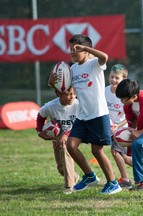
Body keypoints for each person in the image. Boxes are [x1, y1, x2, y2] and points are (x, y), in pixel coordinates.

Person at [48, 34, 121, 194]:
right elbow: (61, 89)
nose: (73, 53)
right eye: (71, 50)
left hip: (99, 114)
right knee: (71, 146)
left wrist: (86, 48)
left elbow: (105, 56)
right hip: (82, 116)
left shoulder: (94, 64)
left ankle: (113, 183)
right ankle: (89, 176)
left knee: (97, 151)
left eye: (76, 49)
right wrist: (52, 81)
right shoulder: (72, 69)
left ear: (86, 50)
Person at [36, 87, 79, 194]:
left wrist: (66, 134)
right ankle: (74, 176)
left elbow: (80, 122)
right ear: (58, 94)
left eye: (73, 94)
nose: (72, 97)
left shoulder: (78, 105)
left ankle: (69, 186)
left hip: (75, 134)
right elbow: (40, 116)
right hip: (57, 137)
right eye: (68, 94)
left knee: (65, 146)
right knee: (61, 167)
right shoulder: (50, 106)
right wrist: (40, 131)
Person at [105, 64, 132, 189]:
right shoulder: (104, 91)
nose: (113, 80)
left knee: (115, 152)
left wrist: (117, 125)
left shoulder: (124, 95)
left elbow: (129, 117)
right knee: (124, 158)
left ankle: (125, 179)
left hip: (121, 129)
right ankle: (142, 167)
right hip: (108, 127)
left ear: (124, 80)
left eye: (117, 78)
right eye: (112, 77)